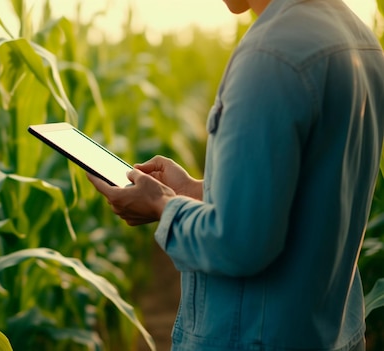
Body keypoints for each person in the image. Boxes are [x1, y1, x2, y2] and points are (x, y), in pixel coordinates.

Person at [87, 0, 384, 350]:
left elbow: (239, 243)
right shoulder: (359, 39)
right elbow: (306, 194)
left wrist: (162, 207)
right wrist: (194, 190)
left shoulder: (270, 55)